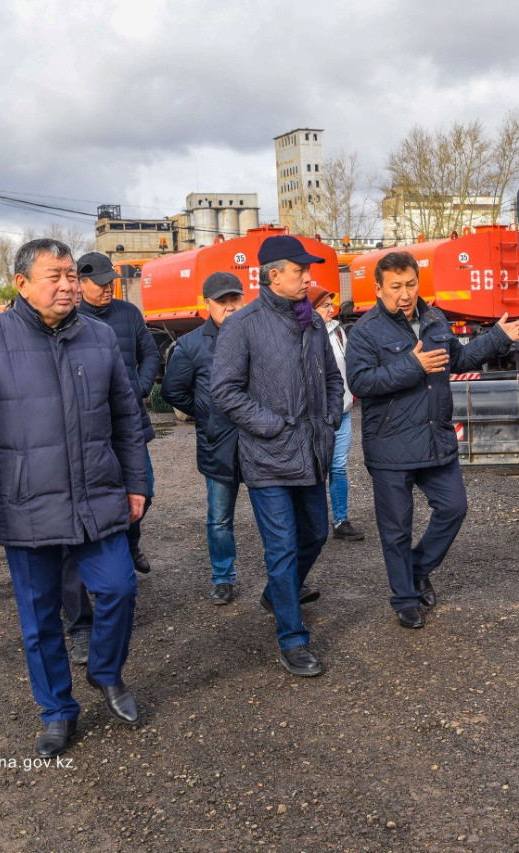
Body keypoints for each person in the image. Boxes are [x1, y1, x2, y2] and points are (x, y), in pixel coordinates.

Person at [0, 239, 148, 757]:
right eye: (53, 276)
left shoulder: (99, 336)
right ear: (22, 284)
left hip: (96, 496)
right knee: (38, 619)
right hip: (26, 499)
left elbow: (127, 418)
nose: (67, 285)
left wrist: (137, 484)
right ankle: (57, 710)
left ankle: (105, 671)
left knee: (119, 588)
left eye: (71, 275)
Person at [346, 251, 519, 629]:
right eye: (395, 287)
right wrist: (412, 366)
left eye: (410, 284)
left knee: (453, 508)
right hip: (390, 444)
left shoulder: (434, 319)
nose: (404, 294)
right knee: (397, 530)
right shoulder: (365, 331)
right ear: (378, 289)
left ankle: (417, 569)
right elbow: (360, 382)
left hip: (435, 437)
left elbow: (458, 360)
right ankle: (405, 598)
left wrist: (497, 338)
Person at [210, 235, 343, 677]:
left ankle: (276, 594)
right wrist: (272, 425)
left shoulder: (313, 322)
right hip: (268, 456)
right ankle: (292, 638)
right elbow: (224, 390)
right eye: (299, 271)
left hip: (311, 451)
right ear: (273, 276)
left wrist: (330, 418)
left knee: (317, 534)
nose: (307, 278)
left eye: (308, 270)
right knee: (282, 547)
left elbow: (332, 377)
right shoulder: (242, 325)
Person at [59, 253, 160, 664]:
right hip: (86, 434)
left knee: (142, 491)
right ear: (79, 283)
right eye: (99, 282)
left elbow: (151, 354)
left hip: (130, 422)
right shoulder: (70, 321)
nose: (107, 288)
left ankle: (129, 544)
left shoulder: (128, 314)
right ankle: (82, 621)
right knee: (76, 528)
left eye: (110, 281)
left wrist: (138, 388)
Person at [160, 272, 244, 604]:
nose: (230, 306)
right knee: (220, 518)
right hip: (218, 445)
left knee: (275, 514)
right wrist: (207, 414)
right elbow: (172, 391)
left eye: (235, 299)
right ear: (206, 303)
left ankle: (283, 577)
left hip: (259, 443)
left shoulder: (256, 334)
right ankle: (223, 577)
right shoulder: (192, 345)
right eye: (222, 301)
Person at [308, 284, 364, 541]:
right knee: (317, 469)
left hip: (342, 412)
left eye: (331, 304)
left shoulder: (339, 331)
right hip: (317, 416)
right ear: (311, 309)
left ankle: (340, 520)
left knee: (338, 467)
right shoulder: (305, 334)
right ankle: (314, 522)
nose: (332, 309)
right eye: (325, 306)